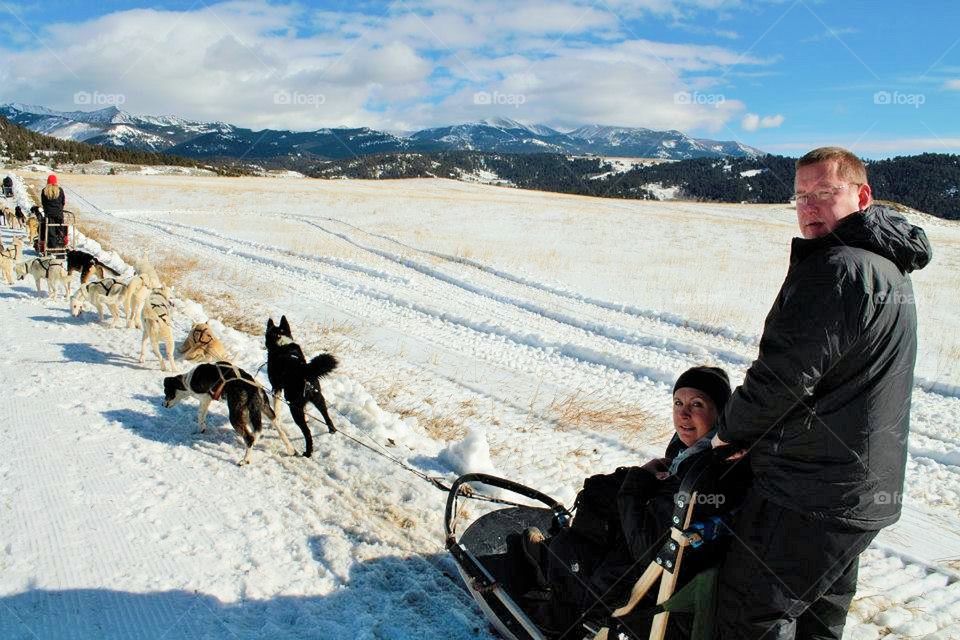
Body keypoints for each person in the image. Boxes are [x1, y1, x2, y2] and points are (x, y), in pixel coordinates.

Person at [711, 147, 932, 640]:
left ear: (862, 195)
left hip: (809, 491)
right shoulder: (882, 265)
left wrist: (727, 435)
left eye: (825, 194)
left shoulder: (836, 268)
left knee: (752, 616)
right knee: (817, 618)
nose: (809, 206)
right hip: (853, 492)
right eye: (801, 196)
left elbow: (782, 378)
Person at [517, 366, 748, 638]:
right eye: (678, 402)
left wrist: (637, 484)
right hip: (654, 555)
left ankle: (560, 614)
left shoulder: (706, 470)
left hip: (637, 581)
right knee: (598, 493)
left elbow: (646, 546)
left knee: (576, 539)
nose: (683, 414)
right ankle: (555, 564)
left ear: (719, 413)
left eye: (696, 404)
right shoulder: (695, 452)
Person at [40, 174, 66, 249]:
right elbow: (63, 202)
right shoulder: (60, 190)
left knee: (50, 230)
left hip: (48, 214)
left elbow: (43, 203)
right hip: (59, 214)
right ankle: (61, 243)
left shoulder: (44, 191)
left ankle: (51, 245)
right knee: (59, 228)